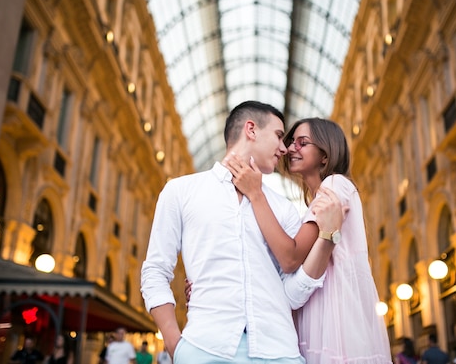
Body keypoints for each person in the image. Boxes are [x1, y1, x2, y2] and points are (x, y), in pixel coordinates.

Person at [140, 101, 343, 363]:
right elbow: (155, 270)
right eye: (279, 136)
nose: (284, 148)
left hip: (280, 353)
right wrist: (175, 344)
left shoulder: (284, 209)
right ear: (251, 130)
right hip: (204, 348)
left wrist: (326, 240)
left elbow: (291, 293)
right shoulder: (180, 192)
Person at [224, 117, 392, 363]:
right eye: (291, 142)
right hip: (320, 320)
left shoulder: (336, 185)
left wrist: (255, 194)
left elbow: (289, 257)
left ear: (325, 155)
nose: (291, 148)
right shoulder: (313, 205)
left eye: (302, 143)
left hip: (337, 324)